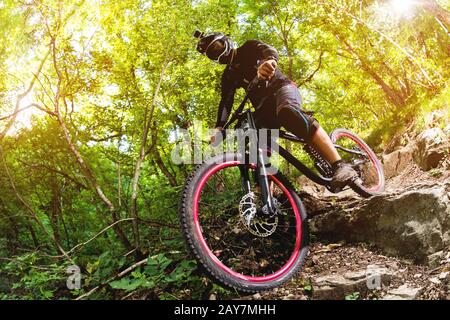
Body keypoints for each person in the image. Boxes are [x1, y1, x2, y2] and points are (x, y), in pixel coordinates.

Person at [194, 31, 357, 189]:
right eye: (212, 54)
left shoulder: (249, 47)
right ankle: (266, 197)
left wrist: (269, 61)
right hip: (263, 107)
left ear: (225, 41)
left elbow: (268, 50)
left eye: (217, 47)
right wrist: (219, 127)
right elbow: (226, 101)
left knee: (288, 113)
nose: (218, 54)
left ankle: (340, 165)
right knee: (257, 143)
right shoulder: (229, 75)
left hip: (281, 88)